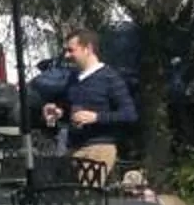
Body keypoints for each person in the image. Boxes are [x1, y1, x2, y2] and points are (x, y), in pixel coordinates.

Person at [39, 27, 136, 175]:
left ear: (88, 49)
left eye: (71, 50)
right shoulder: (73, 79)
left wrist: (96, 117)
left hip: (98, 149)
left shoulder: (110, 78)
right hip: (72, 149)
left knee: (87, 196)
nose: (66, 55)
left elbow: (129, 114)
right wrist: (59, 112)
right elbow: (72, 111)